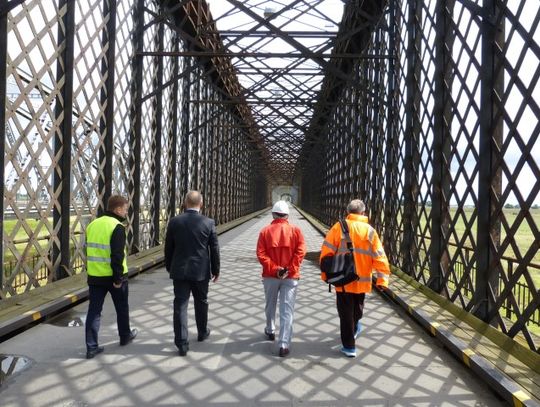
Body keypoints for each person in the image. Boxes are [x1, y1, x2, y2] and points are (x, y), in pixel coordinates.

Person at [319, 199, 390, 358]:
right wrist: (382, 279)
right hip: (362, 281)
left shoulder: (338, 228)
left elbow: (326, 254)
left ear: (348, 212)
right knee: (357, 310)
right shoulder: (370, 231)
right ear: (363, 213)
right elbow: (380, 257)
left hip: (343, 280)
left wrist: (326, 276)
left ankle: (350, 342)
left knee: (346, 315)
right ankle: (350, 342)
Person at [164, 190, 220, 356]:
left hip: (180, 271)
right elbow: (214, 249)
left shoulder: (174, 222)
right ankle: (202, 332)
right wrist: (216, 270)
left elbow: (169, 248)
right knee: (201, 301)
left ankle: (181, 343)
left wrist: (169, 266)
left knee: (180, 305)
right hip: (201, 271)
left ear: (184, 203)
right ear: (200, 204)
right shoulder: (208, 223)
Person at [85, 195, 137, 359]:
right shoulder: (117, 226)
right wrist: (117, 279)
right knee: (122, 308)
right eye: (125, 209)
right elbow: (117, 256)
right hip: (114, 278)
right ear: (118, 209)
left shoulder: (92, 225)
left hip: (95, 276)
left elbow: (88, 249)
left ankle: (91, 347)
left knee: (94, 311)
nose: (126, 212)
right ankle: (124, 336)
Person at [256, 200, 306, 357]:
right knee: (287, 310)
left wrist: (275, 269)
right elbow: (300, 252)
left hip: (271, 276)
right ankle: (284, 343)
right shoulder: (296, 231)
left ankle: (270, 330)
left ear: (273, 214)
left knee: (270, 304)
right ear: (287, 215)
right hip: (290, 277)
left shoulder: (265, 232)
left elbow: (261, 254)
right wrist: (289, 269)